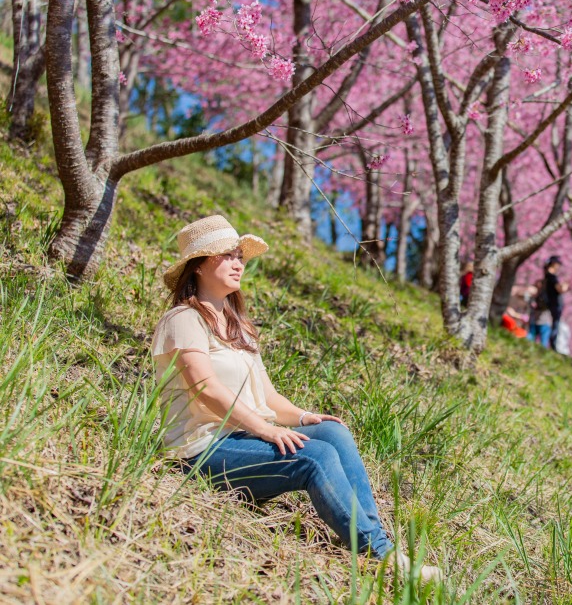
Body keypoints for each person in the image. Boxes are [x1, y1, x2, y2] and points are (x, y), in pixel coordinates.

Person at [152, 215, 441, 580]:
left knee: (332, 434)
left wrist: (304, 417)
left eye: (241, 255)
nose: (239, 263)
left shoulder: (237, 324)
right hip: (201, 449)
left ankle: (379, 541)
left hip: (242, 437)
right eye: (228, 256)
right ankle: (381, 558)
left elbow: (267, 395)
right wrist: (267, 431)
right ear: (199, 265)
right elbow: (205, 389)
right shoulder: (183, 319)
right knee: (315, 457)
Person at [541, 256, 569, 349]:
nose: (558, 267)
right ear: (553, 264)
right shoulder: (552, 277)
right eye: (557, 265)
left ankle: (552, 343)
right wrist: (565, 285)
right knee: (555, 324)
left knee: (554, 323)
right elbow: (560, 290)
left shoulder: (546, 277)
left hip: (551, 303)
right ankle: (553, 345)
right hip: (555, 304)